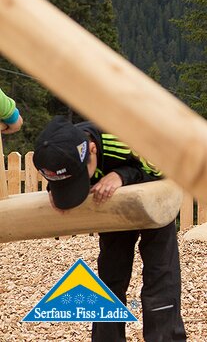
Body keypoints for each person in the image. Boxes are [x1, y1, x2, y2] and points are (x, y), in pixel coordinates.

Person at [33, 115, 187, 342]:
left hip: (155, 197)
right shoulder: (63, 145)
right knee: (110, 275)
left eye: (78, 178)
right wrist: (56, 188)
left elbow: (166, 170)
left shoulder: (124, 140)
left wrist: (123, 175)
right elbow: (63, 168)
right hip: (112, 205)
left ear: (92, 149)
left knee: (160, 274)